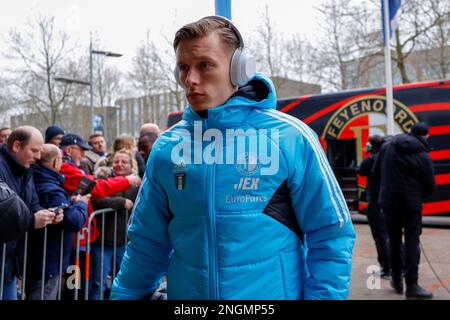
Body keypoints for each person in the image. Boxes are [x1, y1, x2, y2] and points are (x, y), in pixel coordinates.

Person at [111, 16, 355, 300]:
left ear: (240, 69)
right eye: (183, 68)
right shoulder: (167, 148)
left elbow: (331, 234)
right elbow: (146, 241)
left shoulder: (290, 138)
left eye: (204, 65)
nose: (190, 79)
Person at [372, 122, 435, 299]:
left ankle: (397, 281)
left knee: (393, 241)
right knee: (412, 242)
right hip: (411, 205)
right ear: (426, 136)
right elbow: (430, 186)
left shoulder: (386, 147)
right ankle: (412, 286)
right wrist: (417, 196)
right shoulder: (423, 156)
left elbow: (375, 174)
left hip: (388, 203)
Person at [26, 144, 90, 300]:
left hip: (39, 256)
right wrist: (81, 204)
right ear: (56, 162)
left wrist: (71, 202)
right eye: (62, 160)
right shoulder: (50, 188)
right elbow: (73, 221)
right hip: (47, 260)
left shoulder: (33, 179)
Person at [0, 126, 57, 300]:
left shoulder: (26, 170)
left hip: (9, 264)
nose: (38, 157)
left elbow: (32, 202)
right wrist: (32, 220)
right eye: (34, 151)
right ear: (17, 146)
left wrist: (45, 214)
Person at [89, 149, 139, 300]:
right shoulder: (103, 179)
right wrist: (120, 202)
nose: (120, 165)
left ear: (131, 165)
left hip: (125, 243)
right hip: (102, 242)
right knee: (99, 283)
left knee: (122, 283)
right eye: (116, 161)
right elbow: (95, 201)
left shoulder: (138, 185)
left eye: (124, 162)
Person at [357, 135, 391, 278]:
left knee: (380, 237)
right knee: (392, 237)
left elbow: (360, 171)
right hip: (389, 203)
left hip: (375, 203)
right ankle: (398, 267)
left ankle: (386, 267)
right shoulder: (389, 159)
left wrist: (368, 154)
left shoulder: (370, 160)